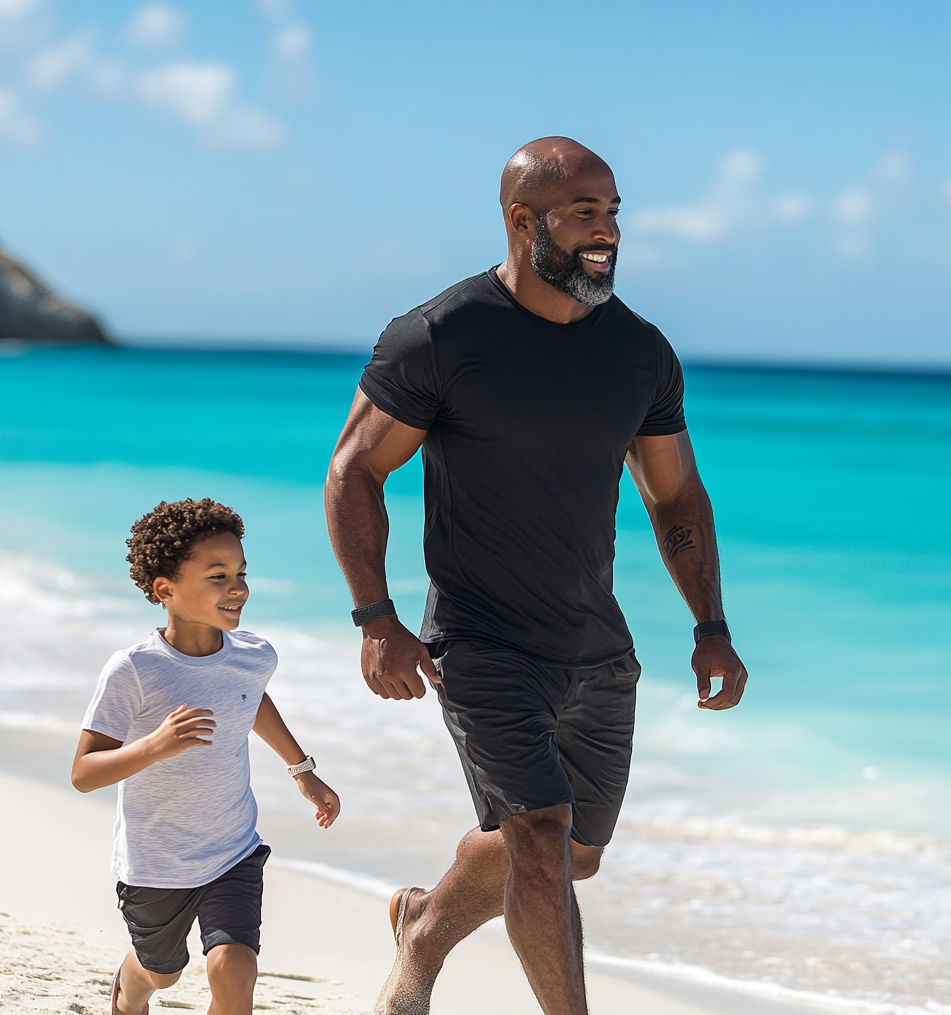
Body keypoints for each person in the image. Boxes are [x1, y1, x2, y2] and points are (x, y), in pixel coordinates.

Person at [324, 137, 748, 1015]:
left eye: (615, 211)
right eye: (584, 212)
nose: (608, 232)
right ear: (524, 221)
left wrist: (711, 626)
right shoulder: (443, 335)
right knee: (542, 837)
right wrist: (377, 617)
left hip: (594, 643)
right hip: (478, 639)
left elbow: (676, 499)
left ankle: (423, 926)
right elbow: (355, 469)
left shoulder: (638, 352)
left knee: (572, 850)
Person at [71, 498, 340, 1015]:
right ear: (165, 590)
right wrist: (155, 745)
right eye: (217, 576)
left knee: (235, 968)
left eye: (241, 572)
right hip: (156, 863)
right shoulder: (134, 670)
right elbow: (84, 774)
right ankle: (129, 991)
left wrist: (303, 770)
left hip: (232, 848)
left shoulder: (253, 656)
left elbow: (251, 699)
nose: (237, 587)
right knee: (162, 973)